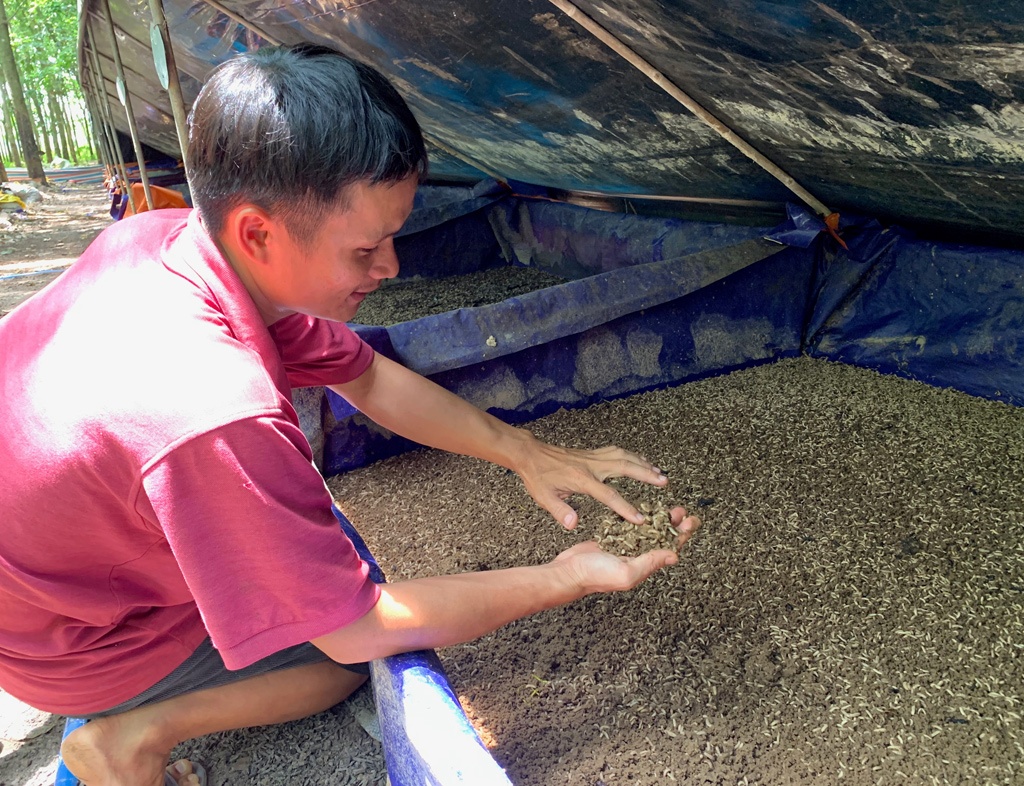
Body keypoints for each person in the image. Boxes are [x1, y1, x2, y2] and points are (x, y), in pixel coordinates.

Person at [0, 44, 700, 786]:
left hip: (49, 566)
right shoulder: (212, 408)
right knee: (342, 664)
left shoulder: (165, 241)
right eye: (367, 247)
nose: (392, 266)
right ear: (257, 232)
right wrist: (568, 577)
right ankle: (127, 735)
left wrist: (528, 452)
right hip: (63, 640)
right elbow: (355, 627)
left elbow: (366, 377)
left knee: (317, 569)